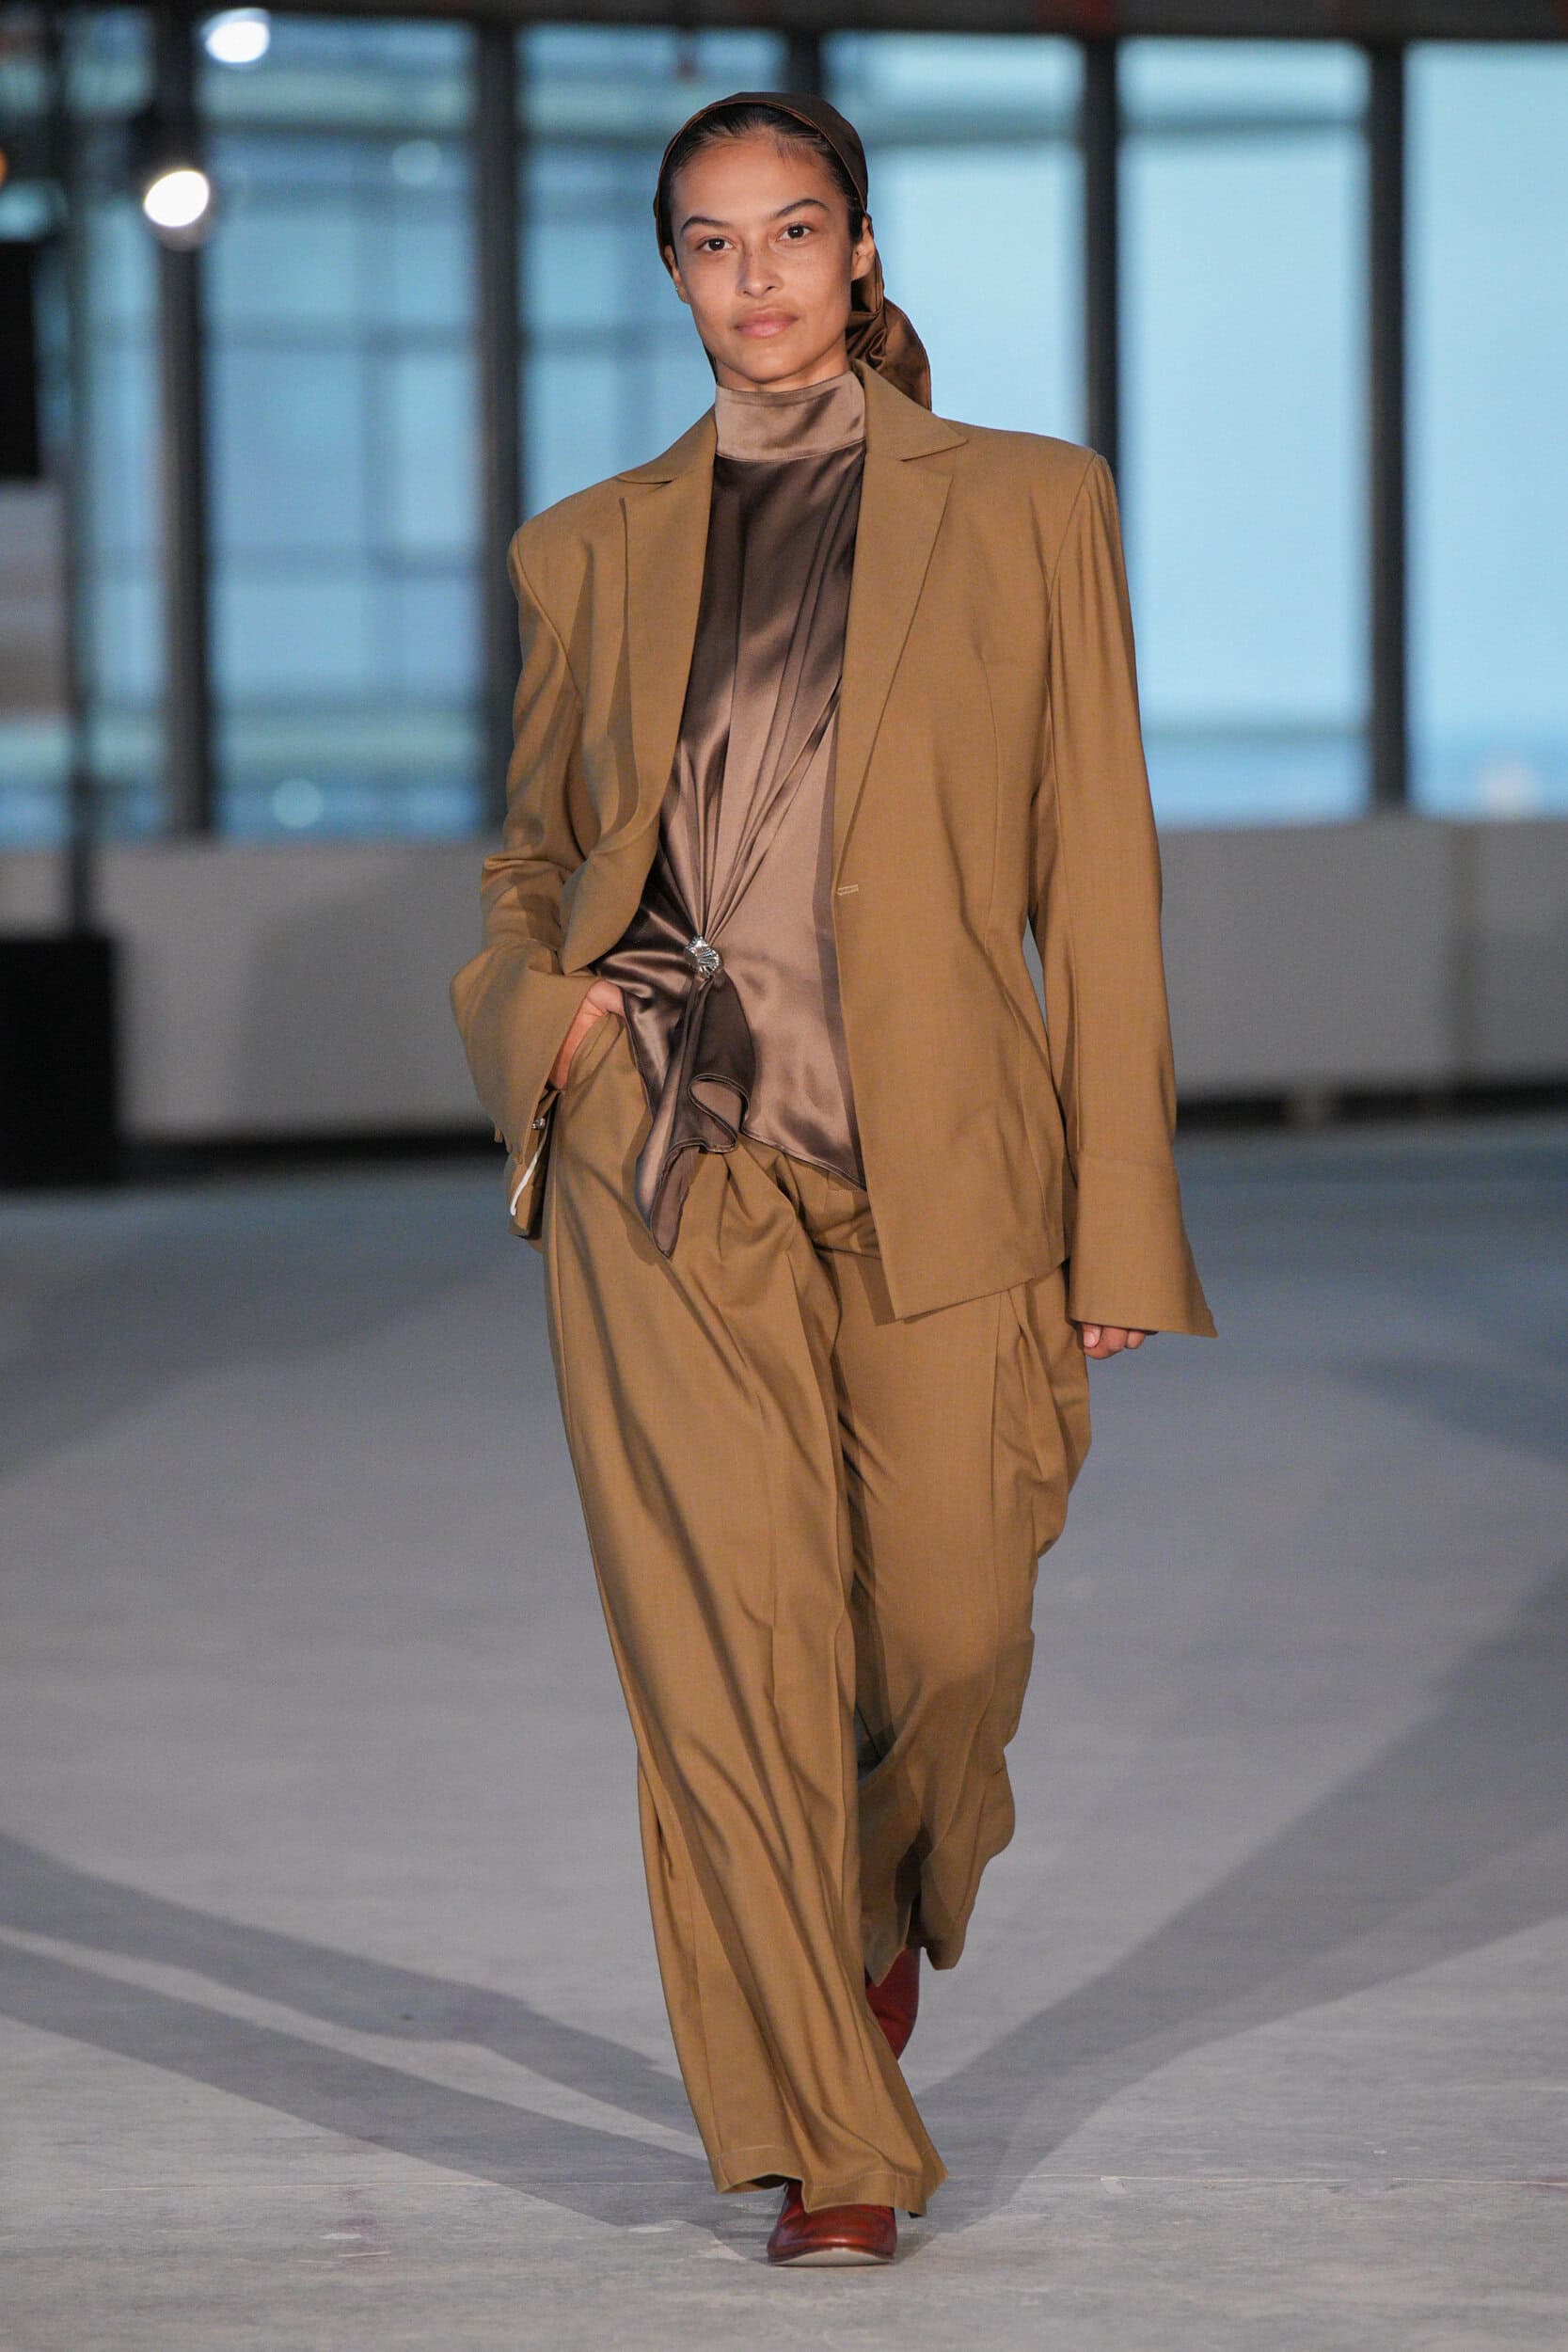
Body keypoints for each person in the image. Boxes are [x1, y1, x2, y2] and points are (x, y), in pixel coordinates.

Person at [451, 89, 1215, 2269]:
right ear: (672, 273)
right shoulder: (587, 547)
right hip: (667, 1160)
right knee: (735, 1656)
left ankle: (867, 1905)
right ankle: (831, 2131)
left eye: (794, 231)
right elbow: (534, 856)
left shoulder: (1032, 505)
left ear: (860, 251)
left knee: (952, 1628)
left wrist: (1119, 1211)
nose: (757, 276)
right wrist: (544, 1027)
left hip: (945, 1156)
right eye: (712, 241)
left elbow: (1102, 873)